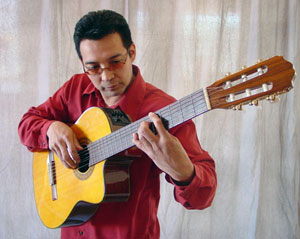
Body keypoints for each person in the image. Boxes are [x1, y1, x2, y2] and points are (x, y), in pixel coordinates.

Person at [18, 9, 217, 239]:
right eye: (93, 67)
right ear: (82, 63)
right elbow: (27, 123)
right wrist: (50, 129)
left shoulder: (163, 111)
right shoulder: (75, 89)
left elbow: (204, 196)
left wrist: (183, 172)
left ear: (131, 52)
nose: (106, 76)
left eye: (115, 62)